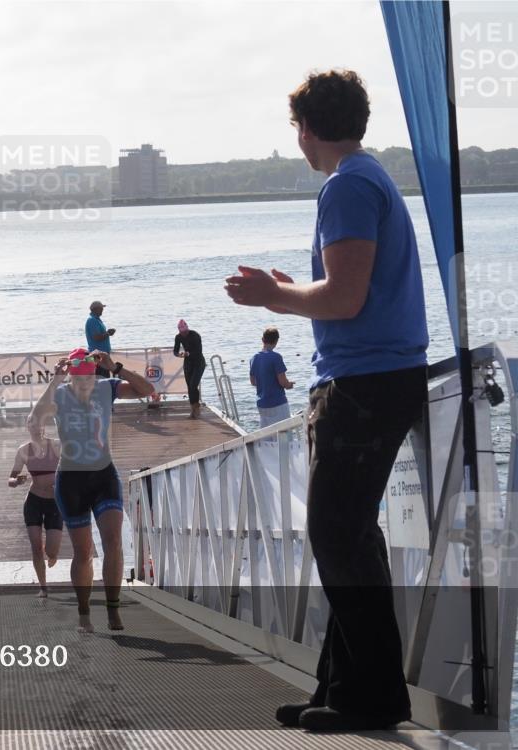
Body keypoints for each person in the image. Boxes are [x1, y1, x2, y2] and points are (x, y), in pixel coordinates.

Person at [224, 69, 428, 732]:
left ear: (308, 128)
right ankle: (341, 687)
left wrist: (272, 297)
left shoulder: (346, 186)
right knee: (346, 534)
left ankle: (372, 697)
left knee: (337, 534)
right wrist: (292, 290)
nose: (299, 144)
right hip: (378, 377)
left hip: (365, 383)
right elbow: (348, 290)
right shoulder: (369, 180)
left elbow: (344, 299)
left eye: (298, 132)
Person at [30, 347, 154, 632]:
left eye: (88, 380)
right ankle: (84, 613)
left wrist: (117, 367)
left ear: (94, 376)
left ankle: (113, 609)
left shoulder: (107, 388)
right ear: (71, 378)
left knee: (113, 543)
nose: (84, 387)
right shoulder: (60, 395)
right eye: (78, 381)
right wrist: (55, 380)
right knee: (83, 552)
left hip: (103, 476)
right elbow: (34, 421)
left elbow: (147, 390)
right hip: (72, 480)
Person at [7, 415, 63, 597]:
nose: (36, 429)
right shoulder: (24, 450)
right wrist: (16, 481)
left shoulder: (56, 445)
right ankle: (43, 587)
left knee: (51, 551)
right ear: (28, 428)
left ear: (44, 427)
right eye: (32, 426)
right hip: (34, 500)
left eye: (39, 425)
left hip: (55, 502)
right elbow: (11, 479)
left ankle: (52, 554)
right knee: (35, 546)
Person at [249, 327, 295, 428]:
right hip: (277, 403)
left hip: (262, 404)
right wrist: (289, 385)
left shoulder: (254, 358)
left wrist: (266, 382)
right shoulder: (276, 357)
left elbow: (253, 382)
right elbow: (283, 382)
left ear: (262, 340)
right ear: (276, 341)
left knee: (267, 438)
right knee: (284, 435)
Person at [173, 320, 205, 418]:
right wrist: (179, 354)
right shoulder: (178, 337)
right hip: (188, 363)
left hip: (198, 362)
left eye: (185, 332)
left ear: (187, 328)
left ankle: (196, 408)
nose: (183, 334)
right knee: (189, 387)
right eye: (181, 332)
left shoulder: (195, 335)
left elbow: (199, 351)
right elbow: (175, 350)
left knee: (193, 385)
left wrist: (188, 353)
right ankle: (193, 409)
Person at [84, 301, 116, 377]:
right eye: (101, 308)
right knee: (102, 377)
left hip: (101, 354)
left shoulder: (96, 320)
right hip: (98, 355)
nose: (102, 310)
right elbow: (96, 338)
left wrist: (107, 333)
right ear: (95, 309)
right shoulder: (92, 320)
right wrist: (108, 333)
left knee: (104, 376)